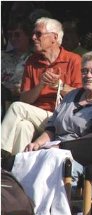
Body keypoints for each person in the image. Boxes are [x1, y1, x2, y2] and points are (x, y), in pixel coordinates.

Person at [10, 51, 92, 215]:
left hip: (83, 154)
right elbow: (52, 128)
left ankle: (45, 214)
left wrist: (63, 147)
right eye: (84, 71)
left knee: (52, 157)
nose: (87, 75)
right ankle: (22, 207)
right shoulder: (71, 95)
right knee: (28, 156)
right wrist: (37, 143)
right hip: (56, 147)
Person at [1, 17, 82, 156]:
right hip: (36, 115)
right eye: (33, 34)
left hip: (60, 117)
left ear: (54, 38)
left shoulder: (73, 60)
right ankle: (16, 168)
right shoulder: (32, 61)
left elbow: (81, 96)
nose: (33, 37)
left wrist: (59, 86)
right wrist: (41, 85)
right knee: (23, 126)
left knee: (16, 107)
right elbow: (25, 100)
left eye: (38, 34)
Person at [1, 19, 33, 119]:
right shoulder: (2, 56)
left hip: (20, 100)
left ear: (28, 36)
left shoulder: (34, 59)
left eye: (17, 34)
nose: (13, 38)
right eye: (10, 35)